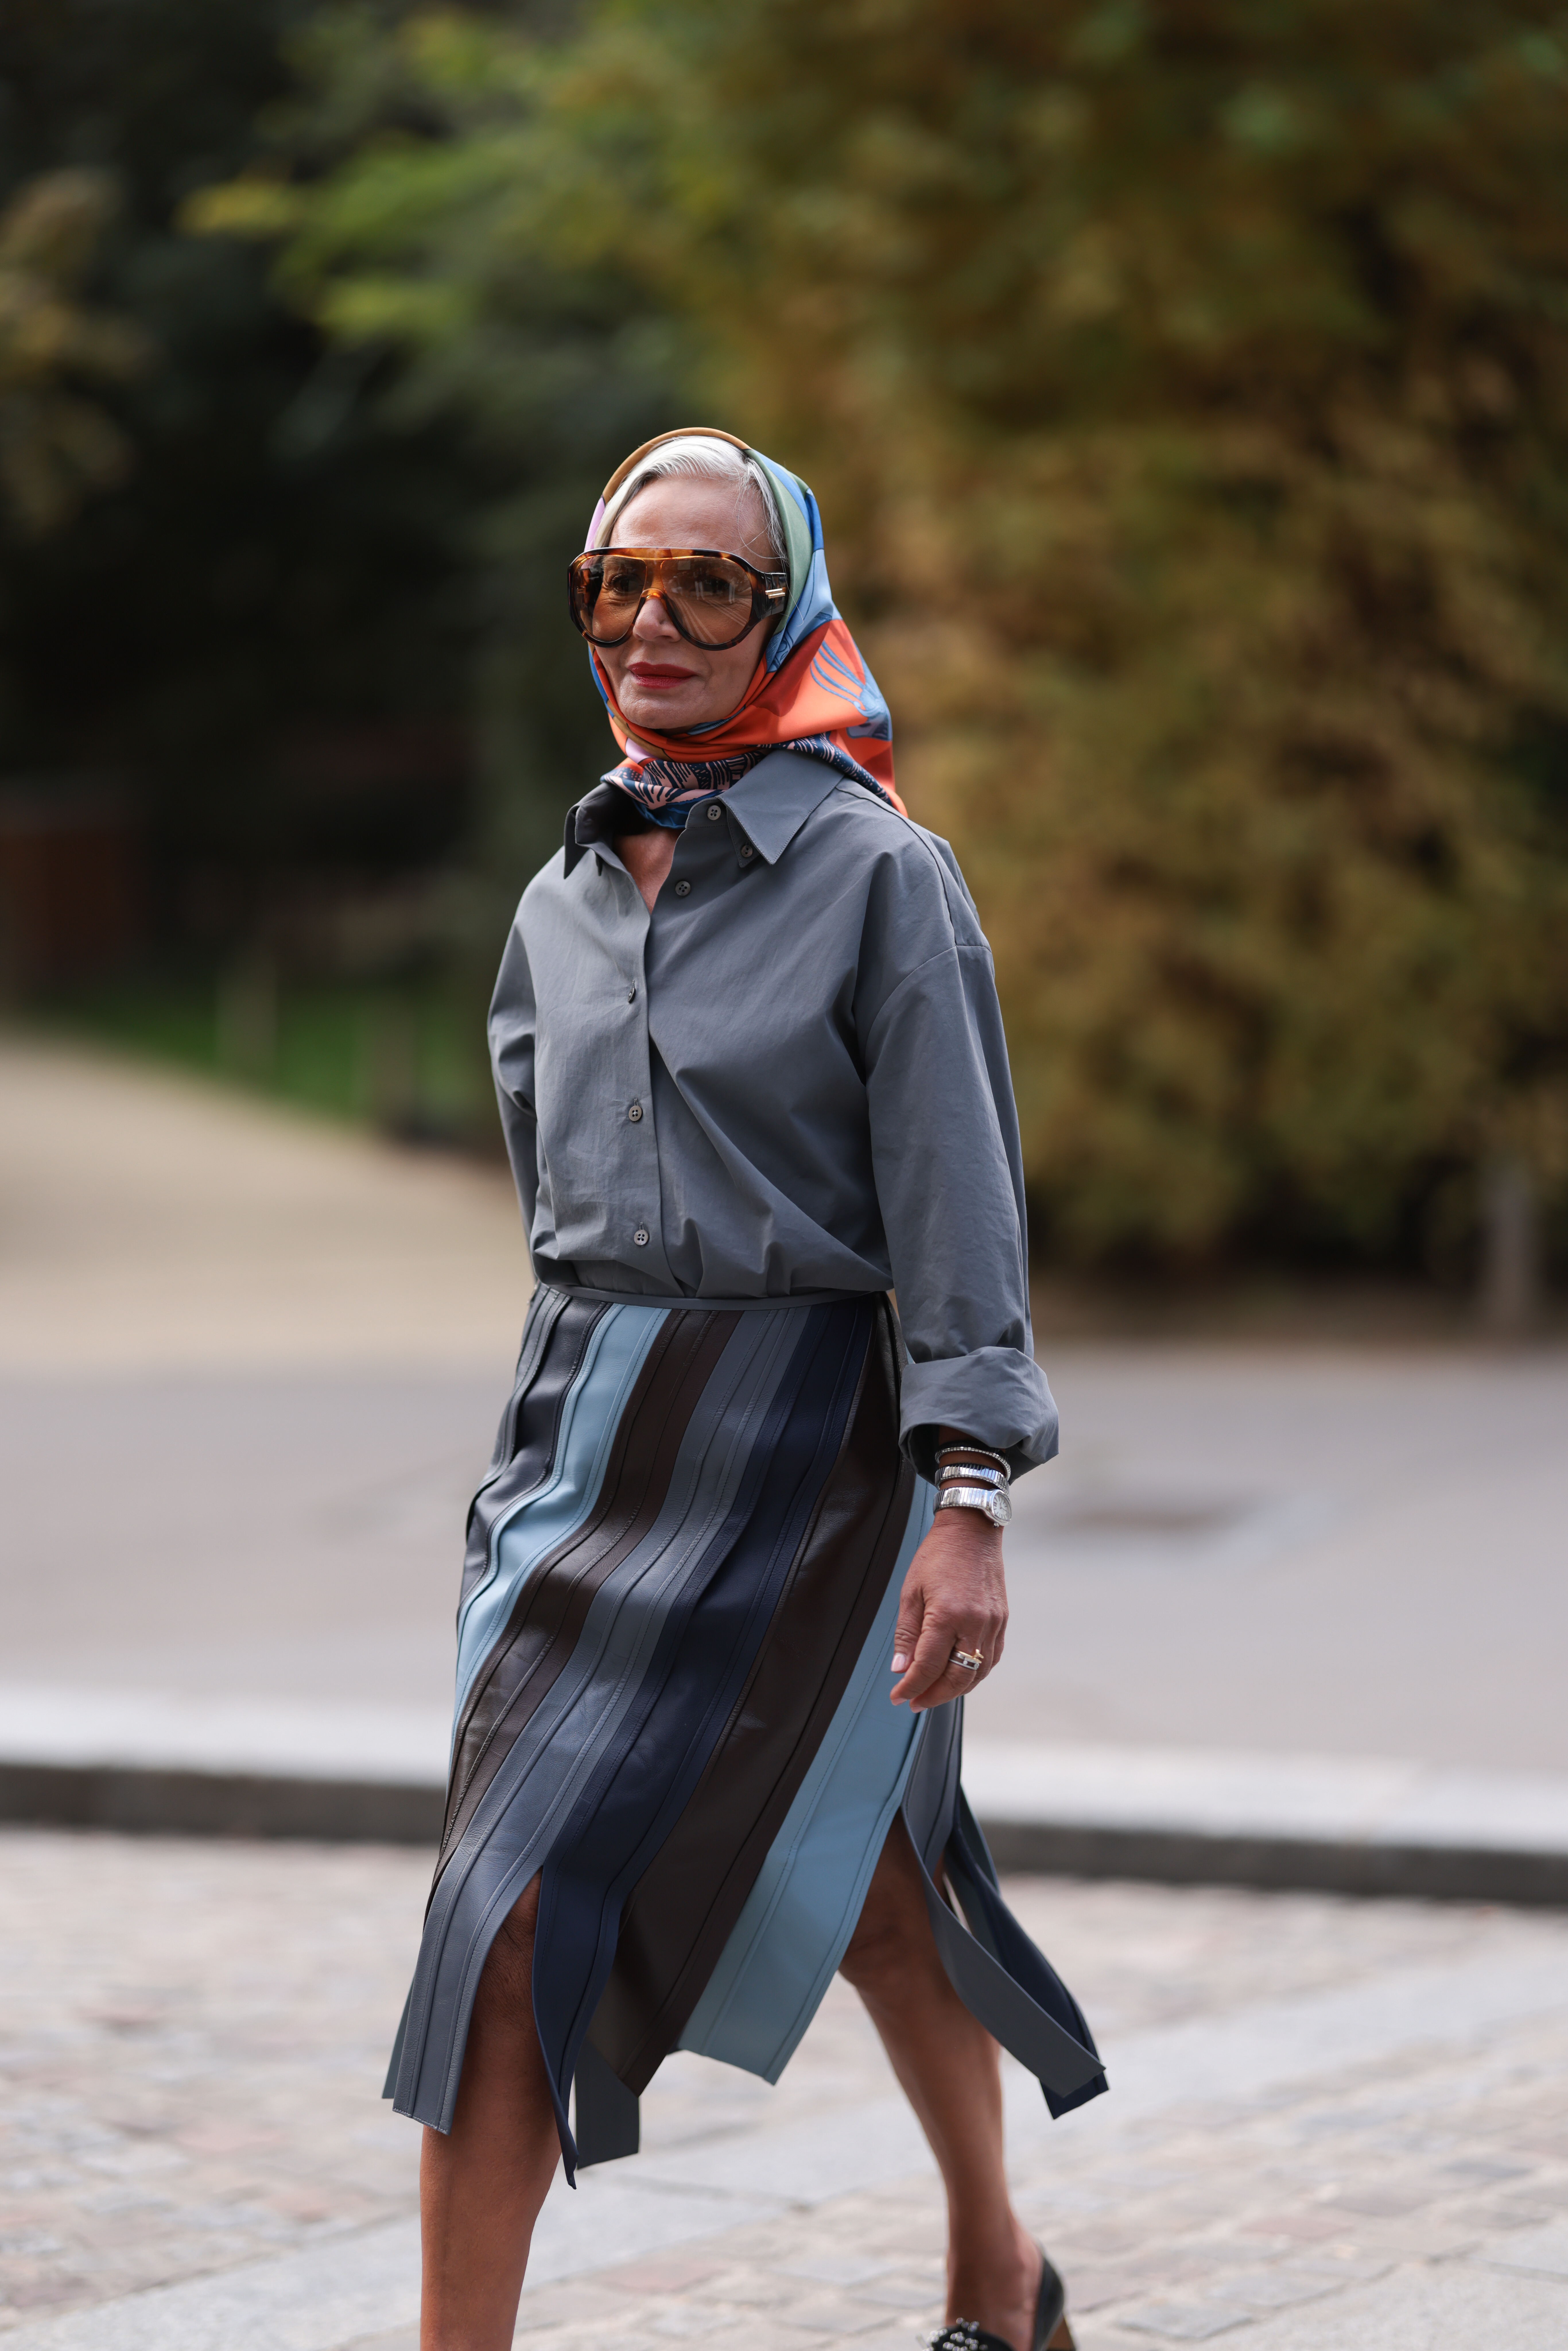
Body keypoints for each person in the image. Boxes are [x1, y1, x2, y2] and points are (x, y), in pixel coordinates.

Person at [386, 427, 1104, 2351]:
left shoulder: (881, 879)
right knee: (505, 1923)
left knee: (873, 1887)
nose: (652, 620)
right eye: (616, 581)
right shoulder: (556, 896)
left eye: (710, 581)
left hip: (818, 1453)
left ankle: (993, 2263)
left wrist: (968, 1495)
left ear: (786, 612)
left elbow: (958, 1206)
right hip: (579, 1450)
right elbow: (559, 1213)